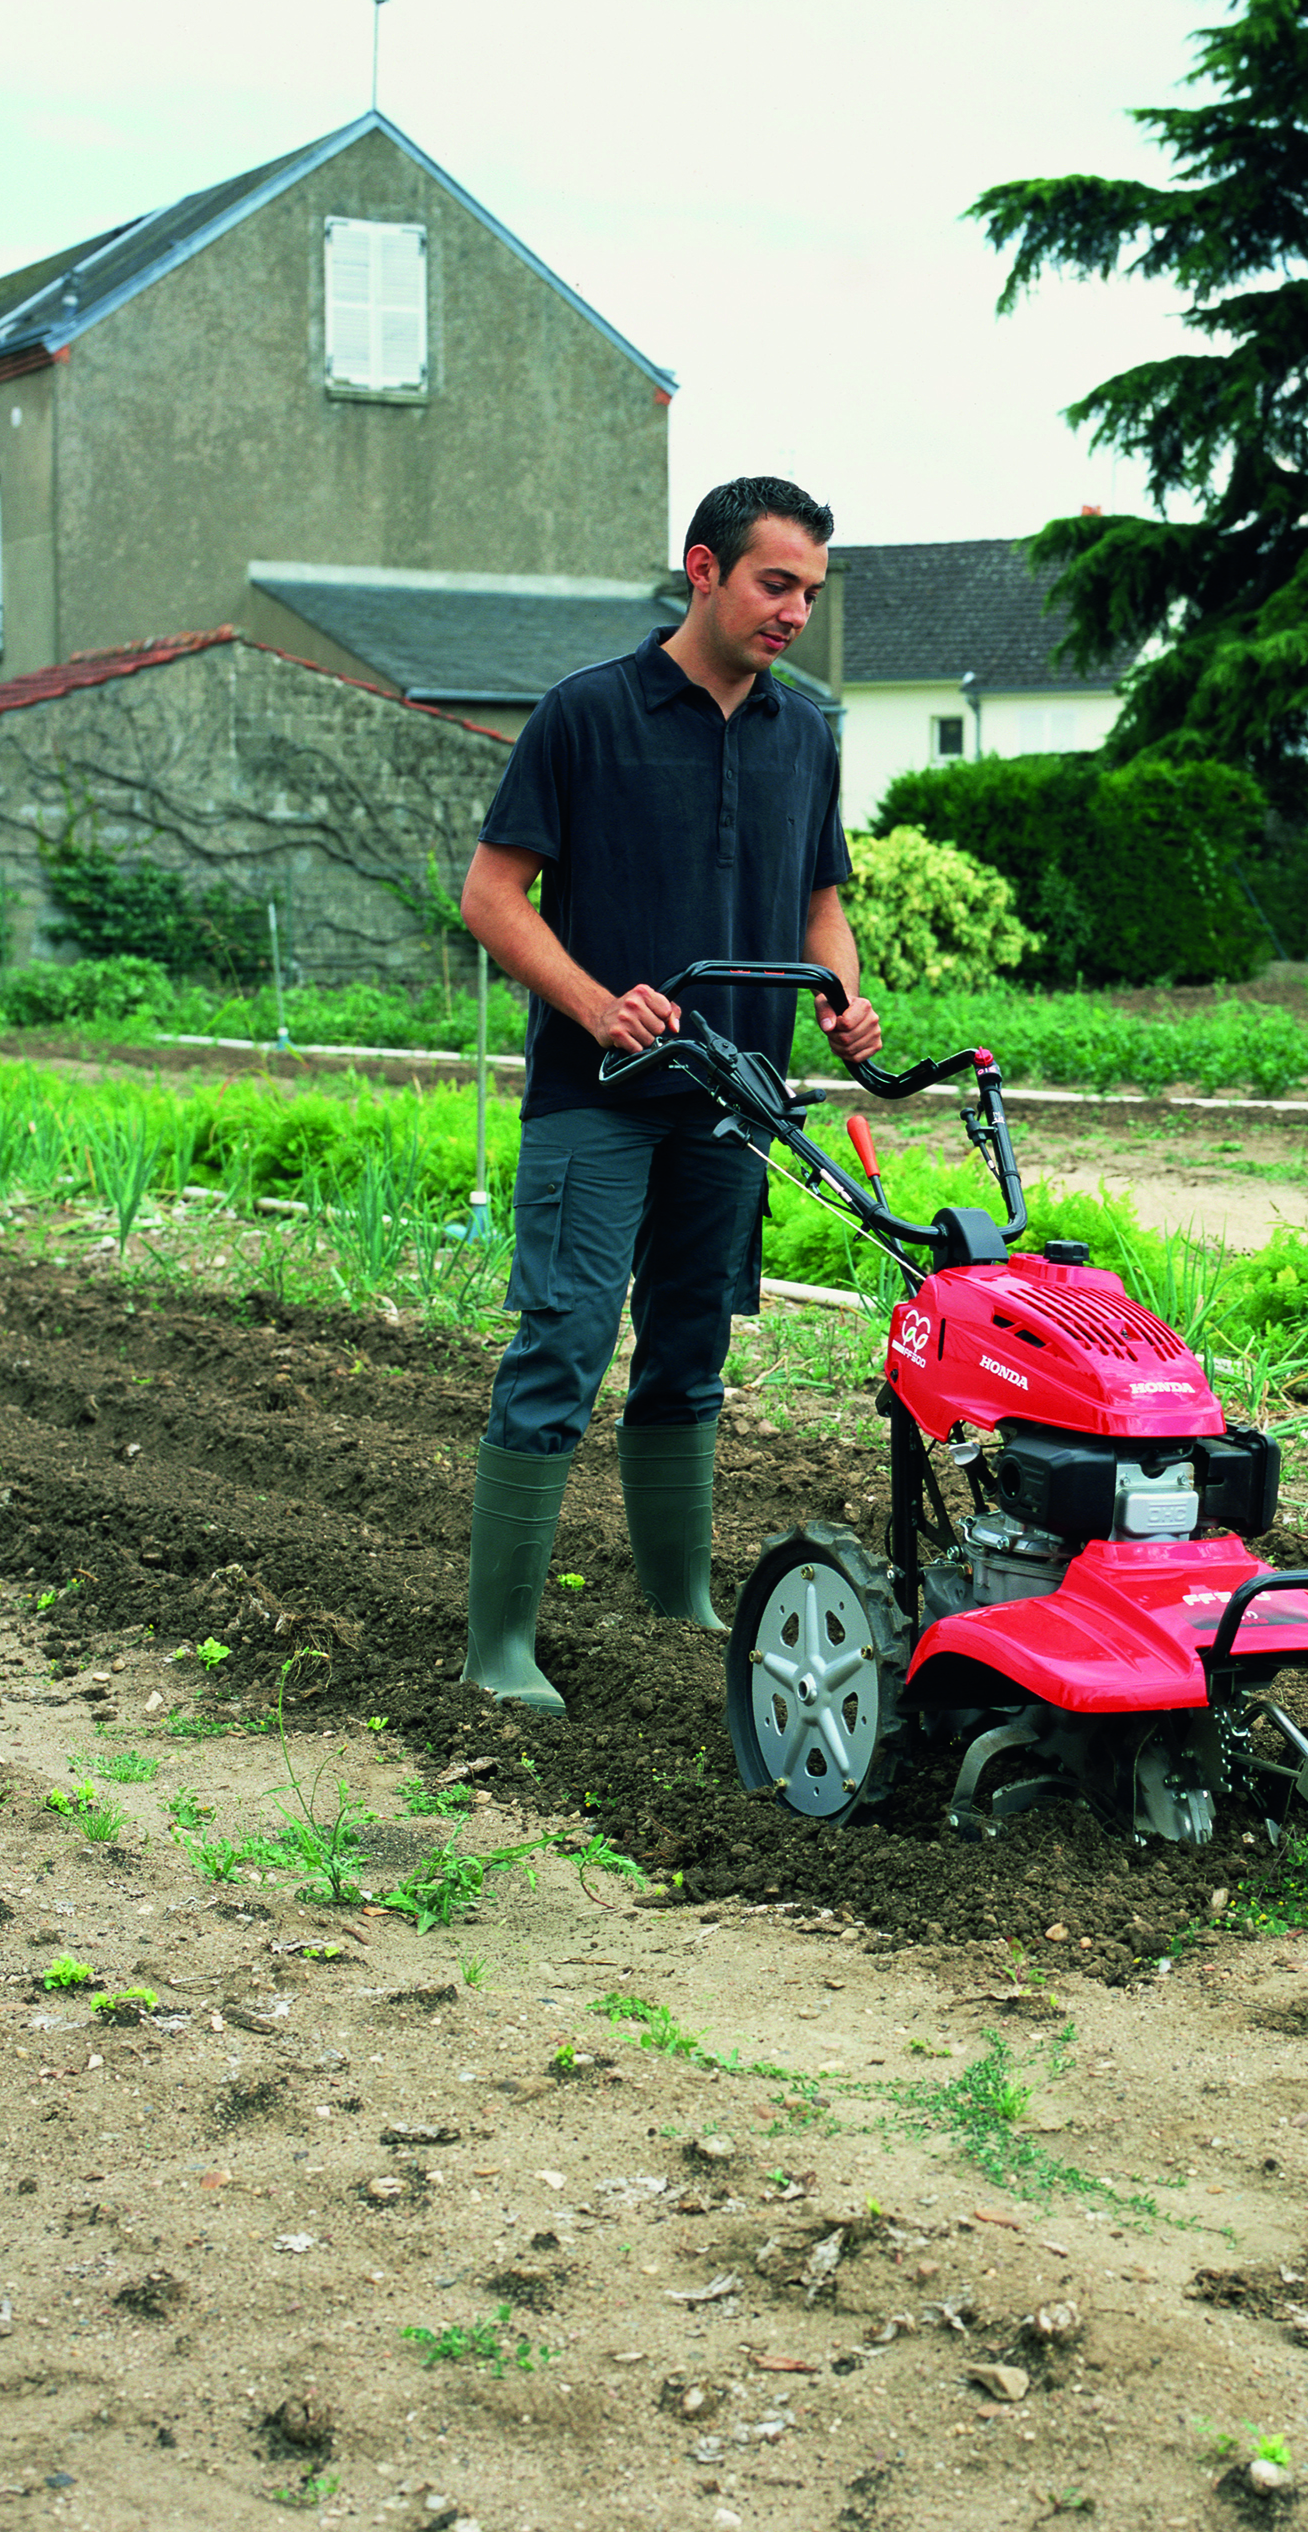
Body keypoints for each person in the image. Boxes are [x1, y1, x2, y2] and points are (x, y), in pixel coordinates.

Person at [454, 474, 881, 1715]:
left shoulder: (803, 730)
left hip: (736, 1102)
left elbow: (820, 908)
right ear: (703, 570)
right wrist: (594, 1005)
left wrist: (840, 994)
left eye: (810, 589)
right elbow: (491, 896)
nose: (795, 609)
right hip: (598, 1095)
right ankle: (499, 1648)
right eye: (773, 582)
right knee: (564, 1346)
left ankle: (676, 1597)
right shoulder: (586, 715)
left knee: (690, 1351)